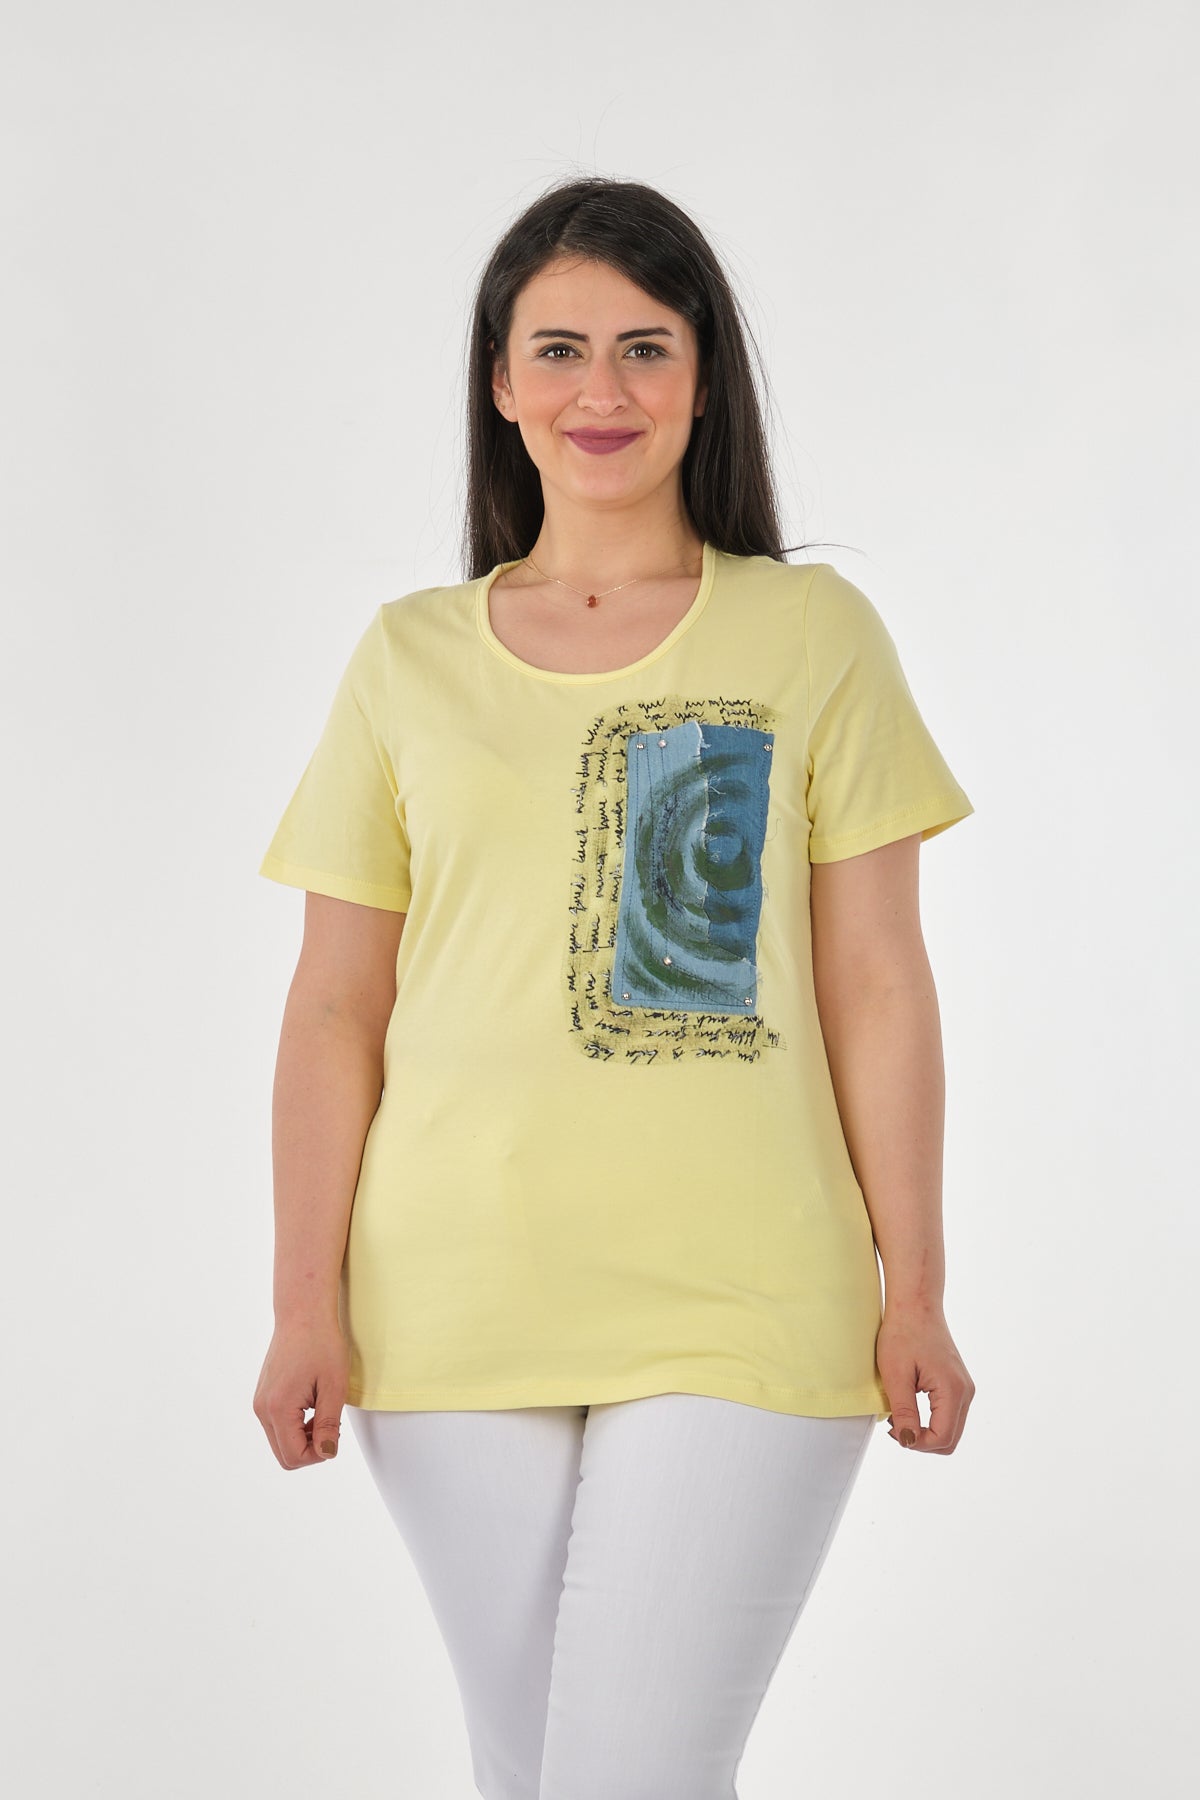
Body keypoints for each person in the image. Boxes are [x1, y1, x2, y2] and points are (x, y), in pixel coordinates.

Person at [252, 175, 977, 1799]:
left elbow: (876, 980)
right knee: (534, 1776)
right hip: (449, 1302)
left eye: (646, 348)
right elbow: (334, 1009)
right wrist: (305, 1302)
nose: (603, 391)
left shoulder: (813, 635)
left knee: (626, 1775)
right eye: (560, 350)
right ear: (501, 385)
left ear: (705, 381)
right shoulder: (407, 657)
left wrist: (915, 1284)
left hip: (745, 1293)